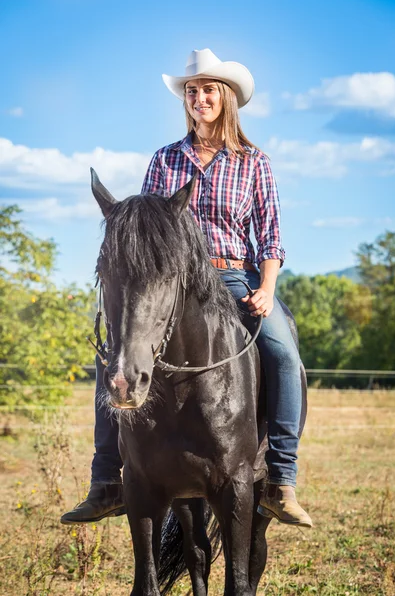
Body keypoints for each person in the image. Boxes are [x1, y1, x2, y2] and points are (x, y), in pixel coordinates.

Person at [61, 48, 312, 528]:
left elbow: (272, 234)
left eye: (209, 90)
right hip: (172, 285)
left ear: (227, 98)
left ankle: (281, 478)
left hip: (235, 276)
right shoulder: (165, 159)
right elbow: (144, 232)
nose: (200, 98)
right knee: (113, 355)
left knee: (283, 352)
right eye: (193, 91)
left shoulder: (254, 162)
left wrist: (266, 286)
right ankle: (106, 480)